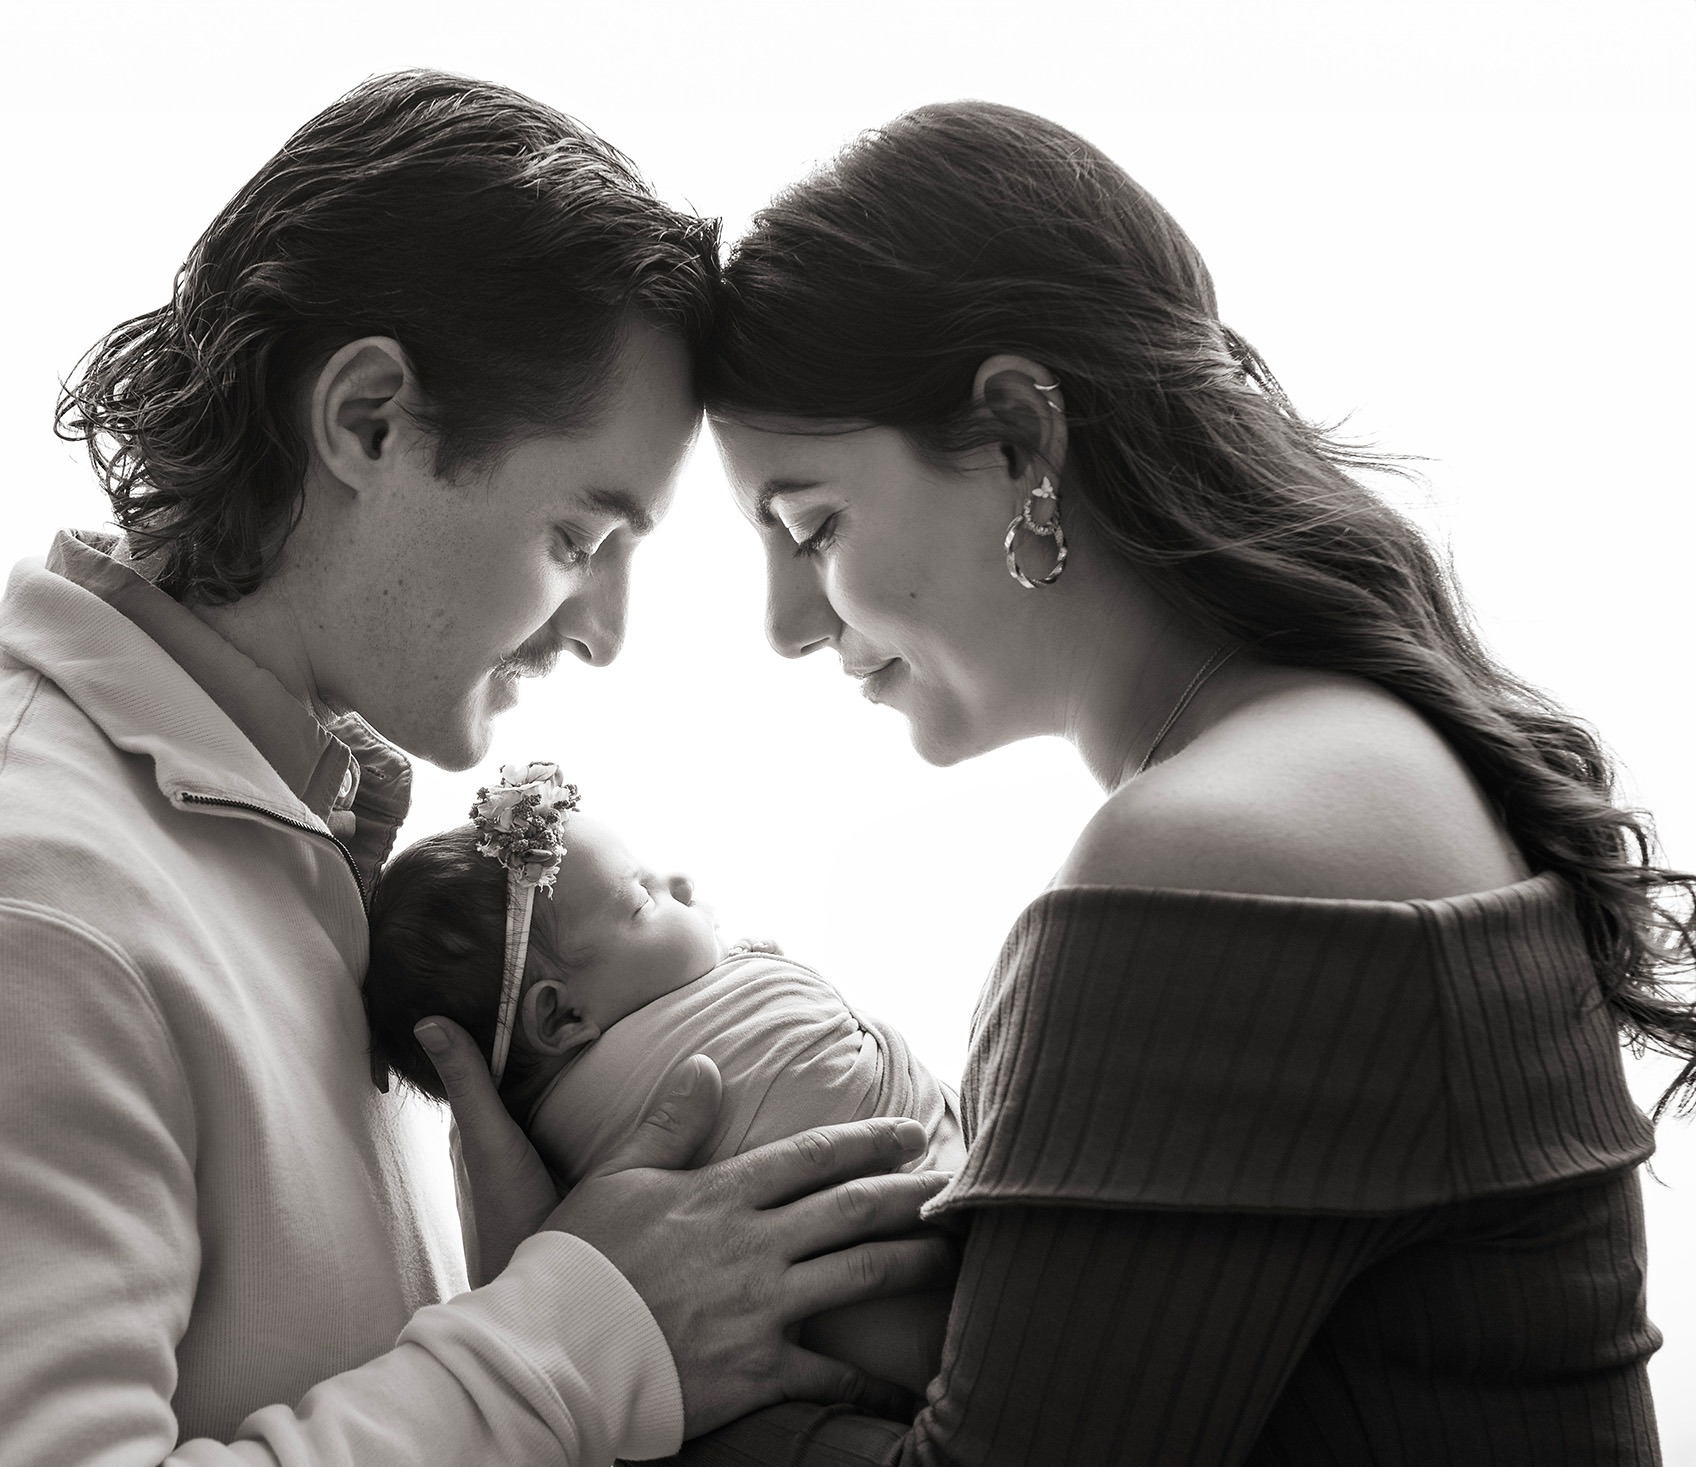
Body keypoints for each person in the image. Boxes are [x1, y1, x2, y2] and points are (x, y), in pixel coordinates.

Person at [0, 72, 956, 1467]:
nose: (602, 633)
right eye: (577, 539)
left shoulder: (294, 876)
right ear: (369, 420)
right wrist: (576, 1336)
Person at [679, 101, 1696, 1462]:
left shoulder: (1214, 848)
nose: (787, 624)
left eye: (813, 526)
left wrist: (621, 1346)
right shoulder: (1361, 753)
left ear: (1021, 440)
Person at [363, 766, 964, 1396]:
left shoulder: (551, 1172)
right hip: (940, 1310)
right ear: (562, 1016)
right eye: (644, 900)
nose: (681, 881)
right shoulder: (660, 1089)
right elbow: (813, 1074)